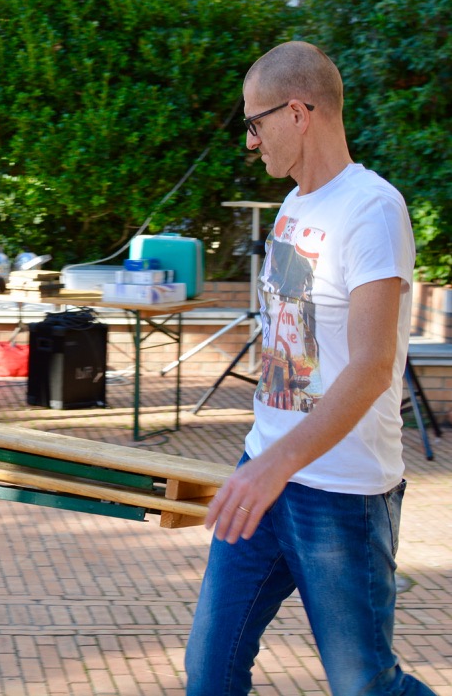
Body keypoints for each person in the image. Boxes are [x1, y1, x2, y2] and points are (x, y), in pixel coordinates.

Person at [185, 42, 435, 695]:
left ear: (299, 112)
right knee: (210, 673)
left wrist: (276, 463)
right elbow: (293, 355)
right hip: (265, 476)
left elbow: (373, 366)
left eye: (255, 122)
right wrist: (262, 462)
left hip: (341, 497)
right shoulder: (294, 208)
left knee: (366, 686)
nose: (250, 141)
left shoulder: (373, 210)